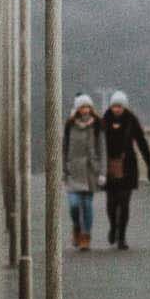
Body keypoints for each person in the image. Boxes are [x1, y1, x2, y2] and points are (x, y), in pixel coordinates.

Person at [100, 90, 150, 250]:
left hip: (128, 166)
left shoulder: (132, 120)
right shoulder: (104, 120)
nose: (117, 109)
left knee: (124, 203)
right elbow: (97, 144)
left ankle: (122, 237)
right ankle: (113, 227)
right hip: (109, 165)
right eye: (115, 106)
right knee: (111, 203)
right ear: (111, 106)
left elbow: (141, 142)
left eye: (120, 106)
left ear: (124, 106)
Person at [62, 93, 103, 250]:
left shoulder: (97, 124)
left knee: (87, 205)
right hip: (73, 171)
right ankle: (76, 227)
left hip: (90, 171)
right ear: (78, 109)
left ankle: (86, 236)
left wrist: (102, 172)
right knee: (73, 205)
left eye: (88, 107)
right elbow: (64, 148)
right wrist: (64, 169)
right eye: (82, 107)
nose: (85, 110)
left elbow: (102, 149)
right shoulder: (70, 125)